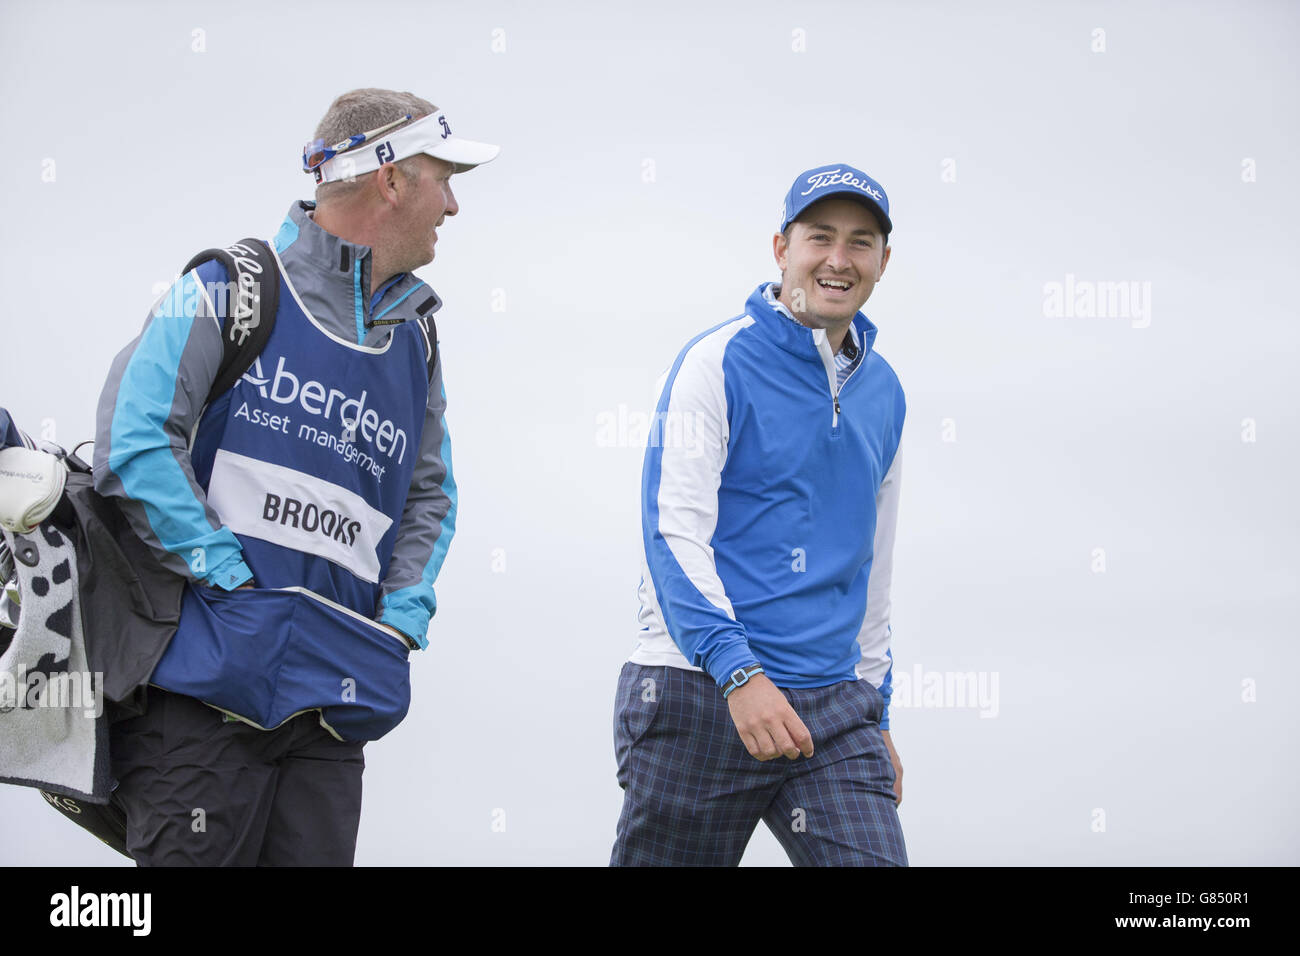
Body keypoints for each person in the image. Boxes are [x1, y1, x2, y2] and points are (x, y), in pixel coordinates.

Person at [93, 88, 498, 866]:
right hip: (204, 697)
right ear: (389, 178)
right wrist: (233, 585)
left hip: (332, 707)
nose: (452, 204)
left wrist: (402, 619)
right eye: (443, 177)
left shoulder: (416, 337)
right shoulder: (226, 286)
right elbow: (132, 441)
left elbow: (429, 496)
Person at [611, 164, 909, 867]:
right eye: (820, 238)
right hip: (700, 691)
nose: (839, 260)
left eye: (860, 243)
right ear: (782, 247)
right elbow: (672, 533)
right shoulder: (714, 363)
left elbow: (874, 562)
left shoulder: (885, 390)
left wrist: (877, 704)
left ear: (883, 262)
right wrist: (740, 676)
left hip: (834, 710)